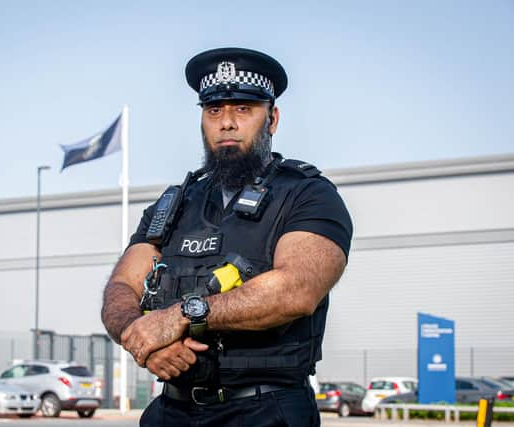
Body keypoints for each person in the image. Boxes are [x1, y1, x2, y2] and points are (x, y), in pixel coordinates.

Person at [101, 47, 353, 427]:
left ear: (272, 119)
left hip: (265, 411)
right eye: (214, 110)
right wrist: (140, 338)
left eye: (243, 109)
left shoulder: (307, 194)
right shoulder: (174, 203)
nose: (227, 123)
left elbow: (297, 290)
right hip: (172, 410)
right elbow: (122, 285)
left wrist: (180, 316)